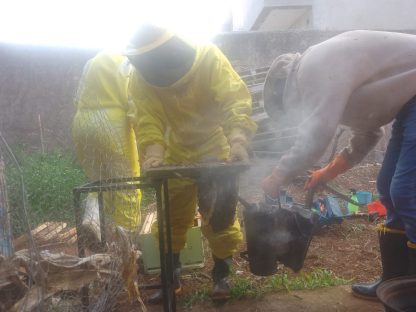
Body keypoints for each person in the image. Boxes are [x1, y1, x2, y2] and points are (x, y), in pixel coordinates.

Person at [261, 30, 416, 300]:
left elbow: (317, 134)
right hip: (409, 105)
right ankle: (394, 283)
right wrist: (326, 172)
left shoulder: (313, 67)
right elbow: (370, 133)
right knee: (388, 186)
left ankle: (410, 291)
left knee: (406, 192)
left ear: (287, 93)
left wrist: (278, 174)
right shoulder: (329, 76)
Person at [125, 25, 257, 303]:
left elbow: (234, 99)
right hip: (175, 149)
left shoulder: (209, 58)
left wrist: (238, 140)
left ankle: (222, 275)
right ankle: (171, 280)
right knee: (171, 217)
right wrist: (154, 153)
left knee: (221, 215)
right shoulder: (140, 79)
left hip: (216, 146)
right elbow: (147, 118)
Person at [72, 51, 141, 251]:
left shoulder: (90, 63)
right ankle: (125, 246)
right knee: (126, 184)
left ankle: (92, 220)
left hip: (82, 122)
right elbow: (134, 105)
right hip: (112, 124)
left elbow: (76, 99)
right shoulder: (127, 65)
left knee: (99, 180)